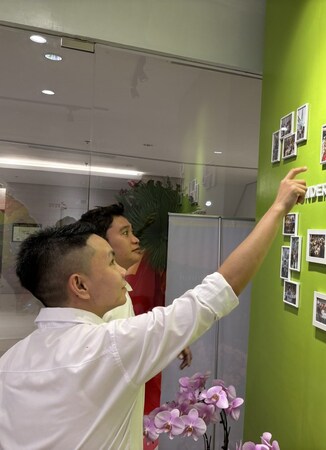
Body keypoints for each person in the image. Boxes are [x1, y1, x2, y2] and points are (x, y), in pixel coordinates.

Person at [0, 167, 307, 449]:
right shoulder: (111, 345)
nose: (122, 271)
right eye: (110, 262)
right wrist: (277, 209)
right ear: (80, 285)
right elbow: (215, 294)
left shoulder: (9, 362)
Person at [79, 204, 192, 423]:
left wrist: (167, 338)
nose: (135, 240)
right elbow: (121, 352)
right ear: (100, 243)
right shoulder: (104, 300)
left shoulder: (116, 292)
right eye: (125, 233)